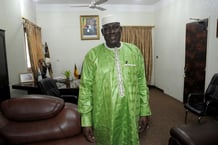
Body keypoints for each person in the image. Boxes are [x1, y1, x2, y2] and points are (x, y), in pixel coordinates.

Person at [78, 15, 151, 145]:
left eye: (115, 27)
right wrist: (86, 121)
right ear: (102, 32)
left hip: (131, 112)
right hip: (104, 115)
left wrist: (144, 111)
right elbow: (85, 90)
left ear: (121, 29)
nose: (111, 31)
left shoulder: (134, 52)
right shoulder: (92, 56)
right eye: (107, 28)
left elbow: (141, 84)